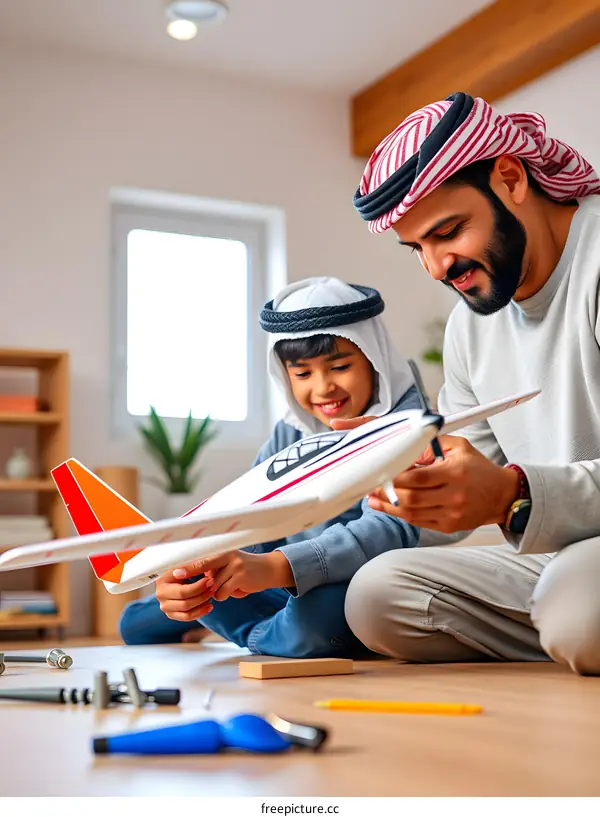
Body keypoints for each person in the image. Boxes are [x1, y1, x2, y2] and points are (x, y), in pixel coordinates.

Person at [339, 91, 600, 675]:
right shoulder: (469, 329)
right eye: (417, 250)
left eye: (449, 231)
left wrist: (512, 495)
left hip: (580, 570)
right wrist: (276, 556)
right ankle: (566, 626)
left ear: (510, 179)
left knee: (580, 608)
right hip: (567, 559)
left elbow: (504, 493)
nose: (436, 267)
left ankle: (570, 624)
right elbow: (462, 490)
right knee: (376, 596)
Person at [119, 276, 421, 657]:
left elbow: (387, 531)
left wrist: (278, 567)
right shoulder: (289, 432)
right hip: (271, 580)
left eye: (340, 366)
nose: (323, 387)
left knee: (325, 618)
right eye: (303, 373)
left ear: (374, 359)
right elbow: (249, 515)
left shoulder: (411, 429)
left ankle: (247, 627)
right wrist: (196, 572)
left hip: (336, 579)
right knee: (136, 622)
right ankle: (247, 622)